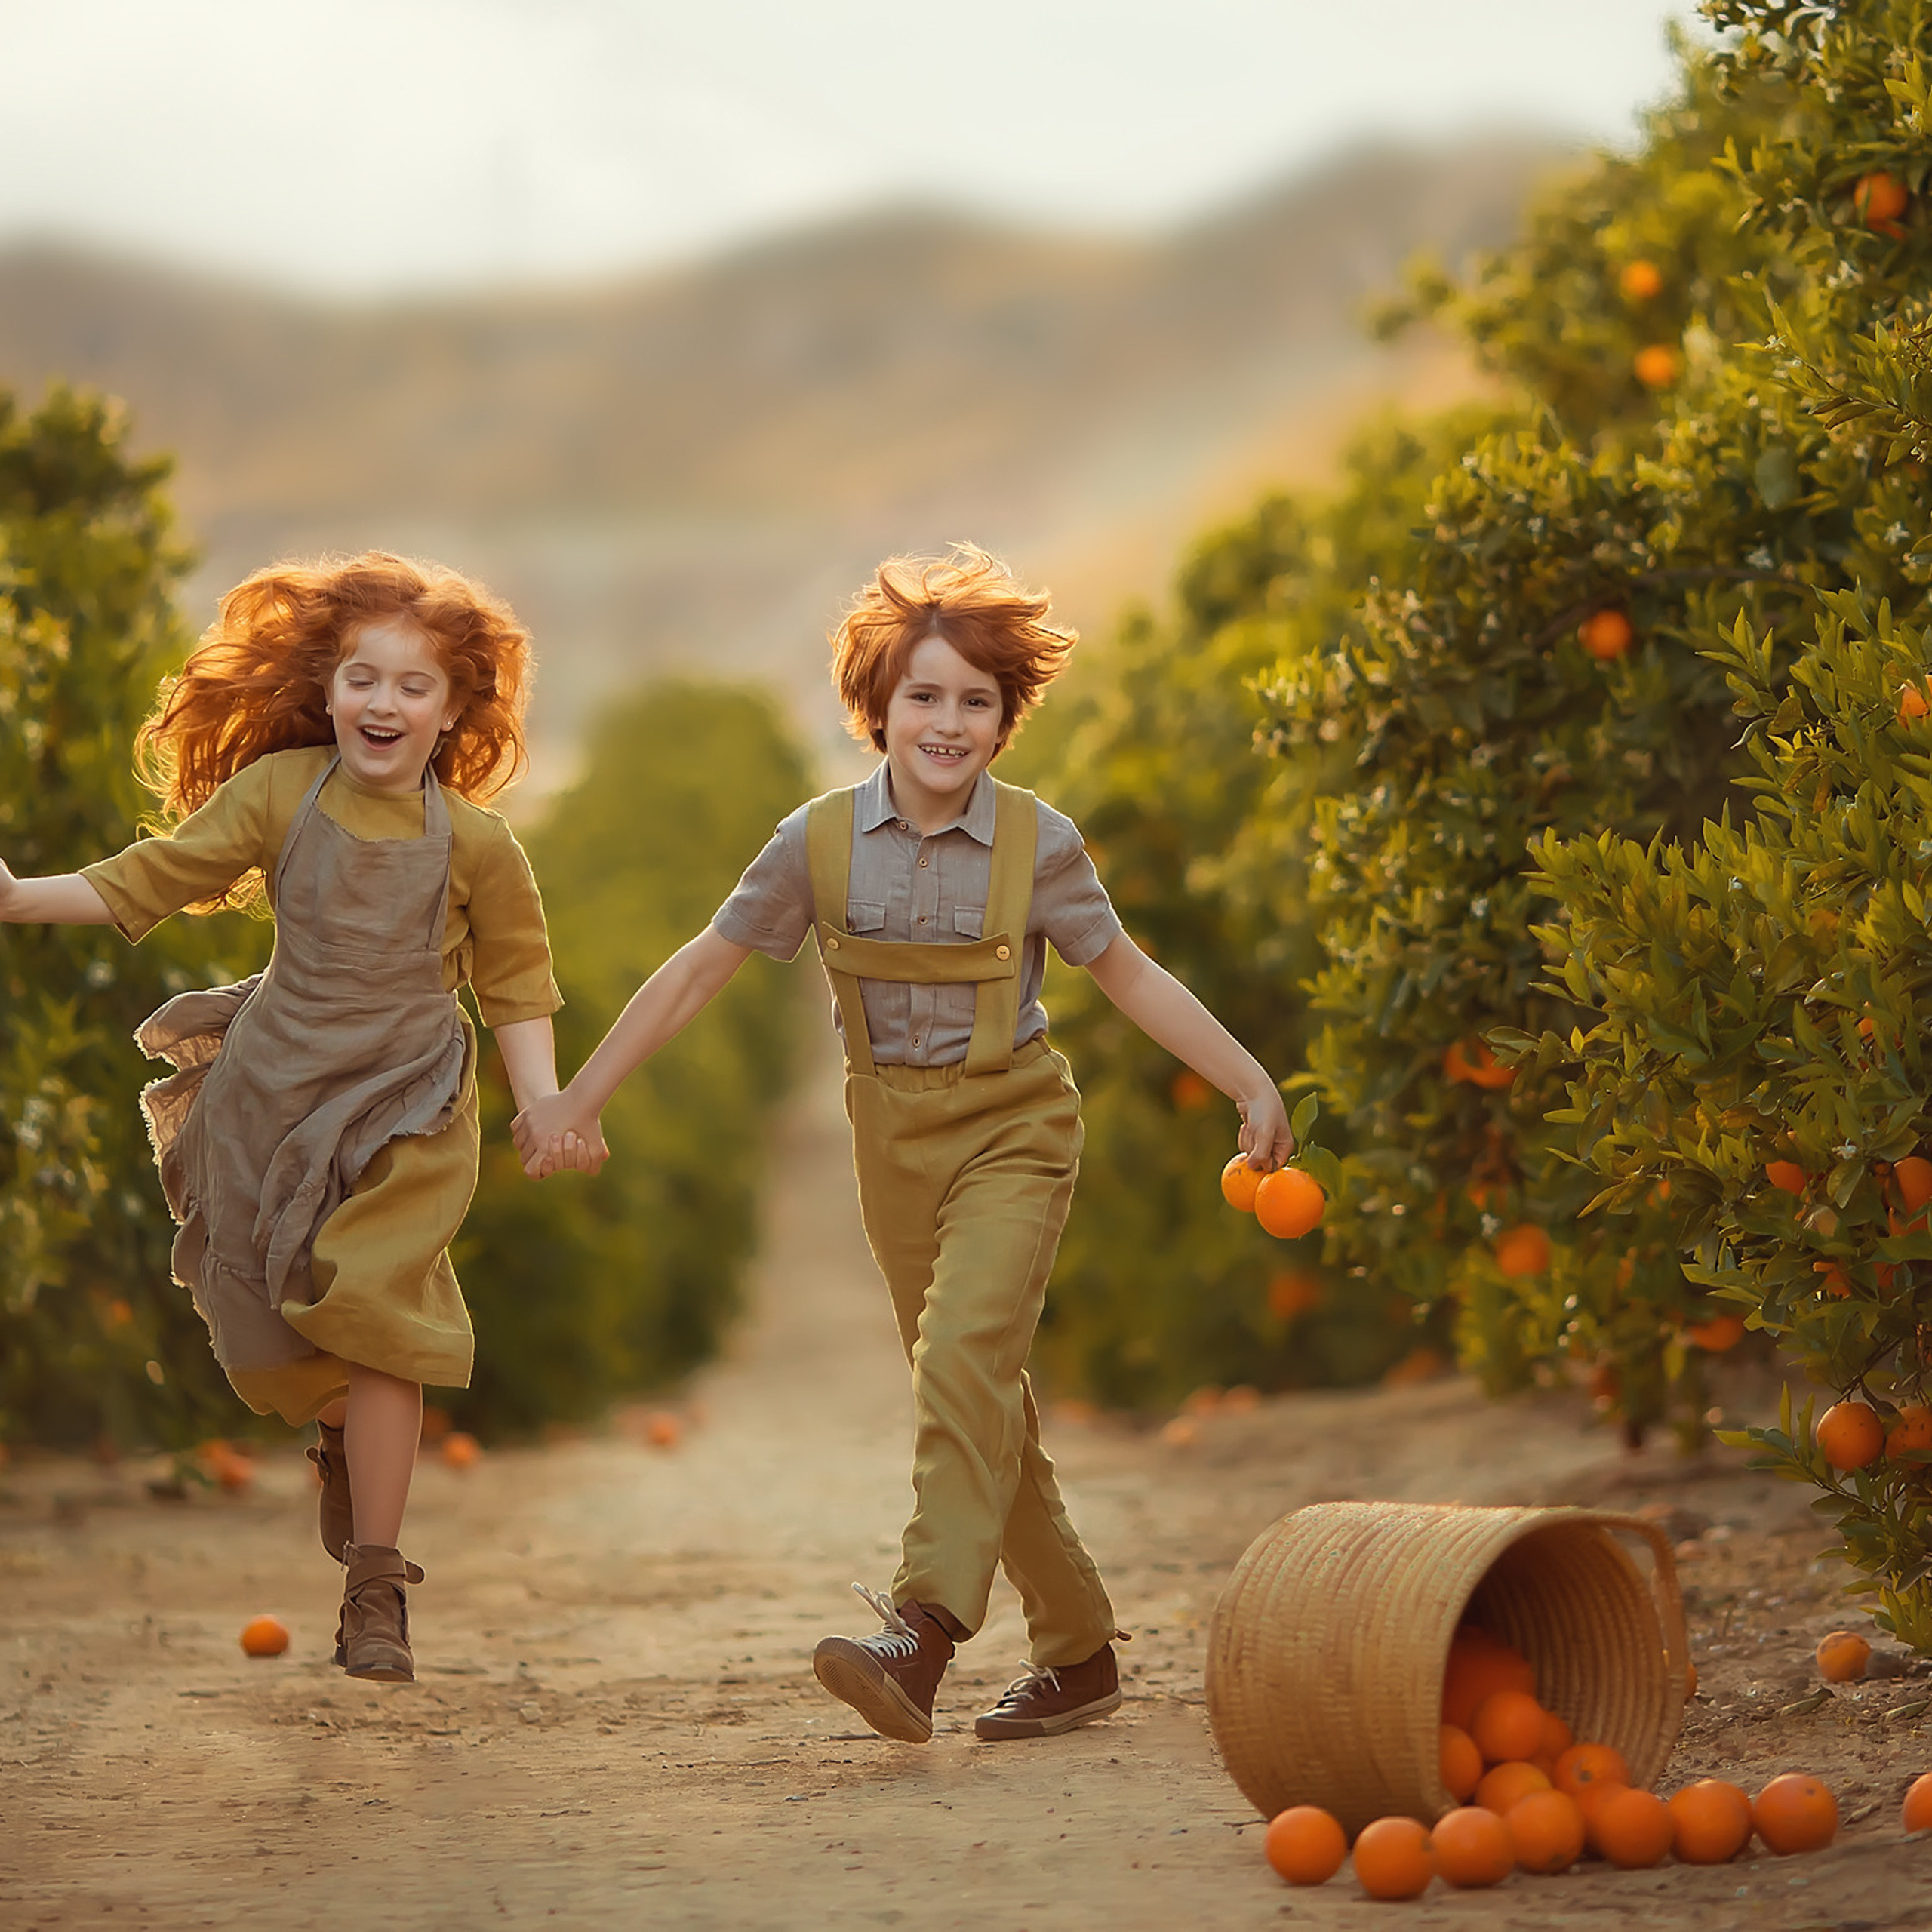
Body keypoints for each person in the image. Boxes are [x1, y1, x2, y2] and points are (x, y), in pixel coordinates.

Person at [513, 544, 1292, 1743]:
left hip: (1015, 1126)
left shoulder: (1043, 844)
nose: (948, 722)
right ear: (876, 706)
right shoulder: (815, 843)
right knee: (983, 1397)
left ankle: (920, 1634)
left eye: (975, 700)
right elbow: (699, 972)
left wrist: (1244, 1077)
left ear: (1005, 717)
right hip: (890, 1140)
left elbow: (1127, 973)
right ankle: (1080, 1654)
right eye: (924, 696)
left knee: (959, 1365)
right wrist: (578, 1097)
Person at [0, 552, 585, 1683]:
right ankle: (336, 1442)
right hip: (274, 1092)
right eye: (362, 679)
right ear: (326, 692)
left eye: (414, 687)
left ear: (455, 709)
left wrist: (547, 1104)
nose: (383, 704)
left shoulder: (479, 846)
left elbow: (517, 988)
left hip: (407, 1105)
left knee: (378, 1312)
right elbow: (149, 879)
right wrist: (22, 899)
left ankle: (376, 1587)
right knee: (261, 1338)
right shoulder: (281, 796)